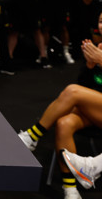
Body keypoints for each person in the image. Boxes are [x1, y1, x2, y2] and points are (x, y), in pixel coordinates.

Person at [18, 11, 102, 199]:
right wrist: (89, 67)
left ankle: (33, 135)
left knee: (72, 91)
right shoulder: (96, 48)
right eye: (101, 21)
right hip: (94, 111)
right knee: (64, 123)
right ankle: (70, 188)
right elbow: (85, 87)